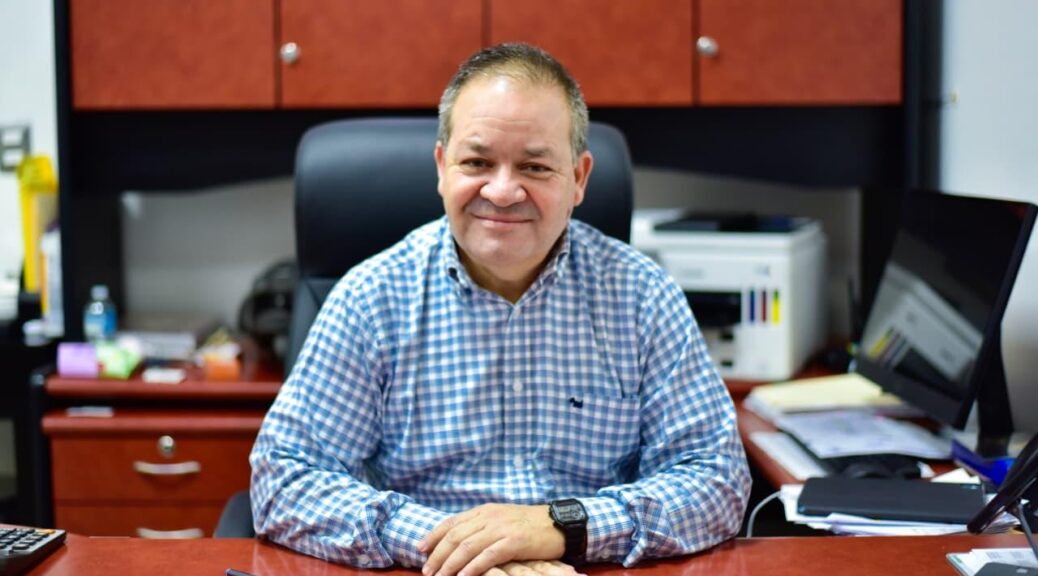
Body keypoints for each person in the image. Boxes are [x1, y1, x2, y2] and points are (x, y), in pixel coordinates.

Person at [250, 42, 751, 576]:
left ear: (579, 178)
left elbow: (717, 479)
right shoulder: (372, 299)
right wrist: (458, 548)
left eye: (534, 166)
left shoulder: (642, 297)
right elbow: (283, 479)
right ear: (442, 167)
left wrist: (562, 527)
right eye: (477, 162)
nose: (504, 190)